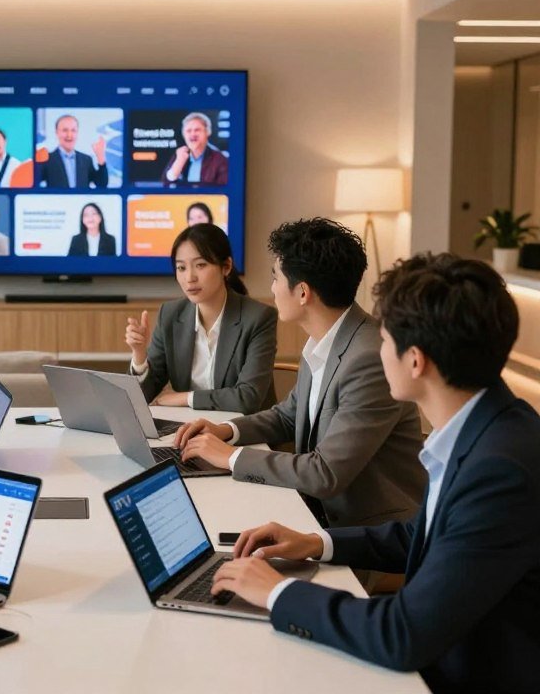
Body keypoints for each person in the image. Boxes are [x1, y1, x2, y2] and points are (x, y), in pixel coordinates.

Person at [210, 254, 540, 693]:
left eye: (384, 339)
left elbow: (403, 633)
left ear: (415, 361)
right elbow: (422, 536)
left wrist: (277, 593)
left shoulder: (499, 470)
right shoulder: (489, 425)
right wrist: (317, 543)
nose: (377, 349)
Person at [175, 218, 424, 528]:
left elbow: (325, 473)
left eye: (275, 278)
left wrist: (229, 457)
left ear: (303, 292)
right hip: (316, 509)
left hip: (369, 531)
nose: (272, 289)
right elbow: (288, 416)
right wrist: (225, 430)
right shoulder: (325, 338)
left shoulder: (370, 359)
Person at [125, 224, 277, 412]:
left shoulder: (258, 318)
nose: (190, 277)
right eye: (181, 268)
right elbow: (141, 396)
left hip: (242, 425)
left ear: (226, 267)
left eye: (200, 265)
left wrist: (186, 398)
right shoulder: (170, 314)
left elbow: (248, 397)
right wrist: (139, 354)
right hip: (187, 426)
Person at [37, 114, 108, 189]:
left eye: (73, 130)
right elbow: (33, 182)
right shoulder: (47, 159)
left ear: (77, 133)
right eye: (65, 130)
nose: (69, 135)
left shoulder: (86, 160)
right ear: (57, 133)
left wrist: (101, 157)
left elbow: (102, 184)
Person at [160, 112, 228, 187]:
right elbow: (166, 183)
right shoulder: (180, 154)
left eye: (197, 130)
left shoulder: (220, 159)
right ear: (184, 135)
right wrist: (179, 162)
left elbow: (223, 189)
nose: (193, 134)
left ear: (208, 132)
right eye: (188, 131)